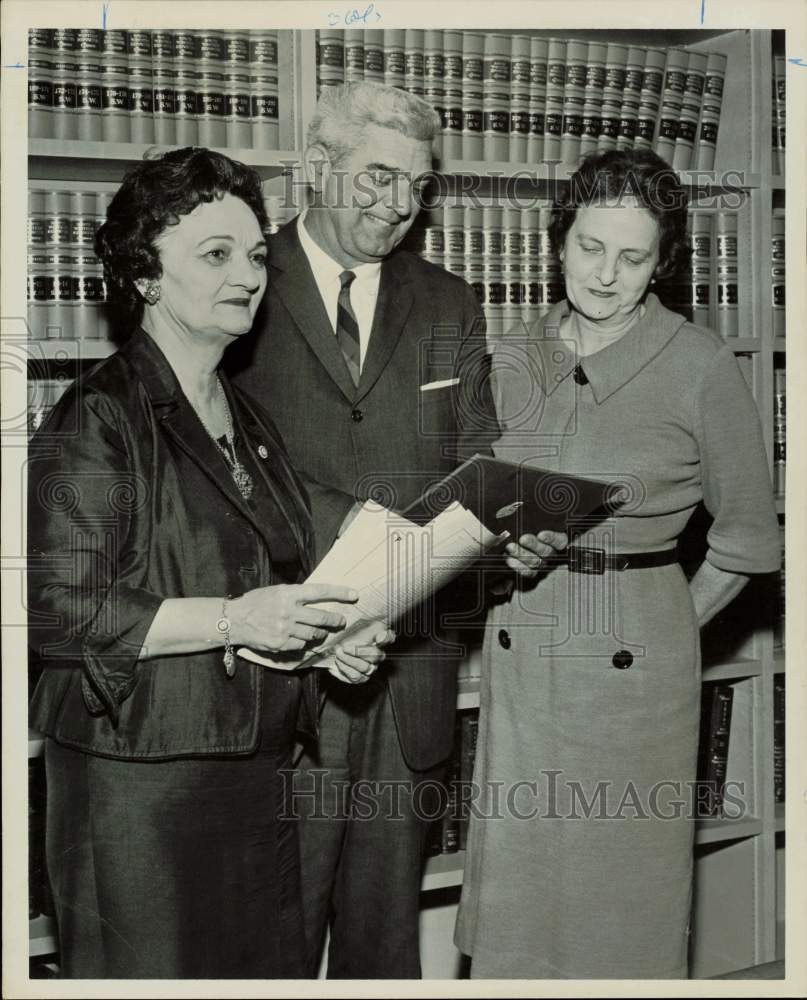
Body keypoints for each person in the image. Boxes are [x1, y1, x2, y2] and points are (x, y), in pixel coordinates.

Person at [27, 146, 392, 979]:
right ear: (145, 276)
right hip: (141, 790)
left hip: (255, 774)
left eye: (257, 254)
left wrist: (319, 639)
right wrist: (237, 620)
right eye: (215, 254)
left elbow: (269, 574)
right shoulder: (98, 417)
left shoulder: (245, 414)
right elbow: (61, 612)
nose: (249, 274)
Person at [454, 149, 781, 979]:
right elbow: (477, 505)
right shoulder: (507, 356)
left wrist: (667, 620)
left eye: (632, 257)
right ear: (557, 242)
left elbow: (747, 538)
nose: (605, 275)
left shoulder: (699, 366)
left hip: (634, 665)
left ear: (661, 264)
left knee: (620, 904)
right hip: (523, 647)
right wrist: (501, 551)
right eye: (590, 248)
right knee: (519, 906)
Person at [227, 81, 503, 978]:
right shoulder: (238, 285)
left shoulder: (450, 303)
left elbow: (476, 462)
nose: (396, 207)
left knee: (385, 950)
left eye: (416, 187)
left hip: (405, 672)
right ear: (315, 169)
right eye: (375, 178)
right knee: (271, 938)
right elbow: (206, 475)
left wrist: (509, 525)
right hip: (279, 671)